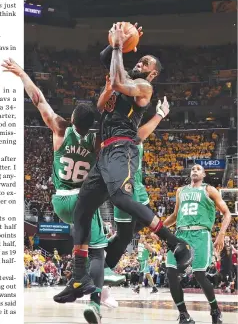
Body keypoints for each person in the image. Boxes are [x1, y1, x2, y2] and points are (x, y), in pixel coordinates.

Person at [53, 22, 193, 304]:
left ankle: (175, 242)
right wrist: (117, 43)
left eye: (145, 62)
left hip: (122, 147)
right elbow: (106, 60)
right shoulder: (123, 73)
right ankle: (80, 277)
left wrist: (119, 44)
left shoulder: (143, 87)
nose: (140, 62)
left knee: (119, 197)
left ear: (152, 73)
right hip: (104, 152)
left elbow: (118, 81)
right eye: (139, 58)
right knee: (82, 208)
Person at [1, 58, 107, 324]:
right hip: (83, 202)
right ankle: (94, 303)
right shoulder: (96, 142)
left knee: (84, 247)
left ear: (72, 119)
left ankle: (78, 281)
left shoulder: (60, 128)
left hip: (60, 203)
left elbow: (38, 100)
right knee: (97, 253)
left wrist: (22, 74)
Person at [98, 75, 170, 283]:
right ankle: (101, 262)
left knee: (132, 230)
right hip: (126, 182)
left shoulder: (133, 111)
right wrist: (159, 115)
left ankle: (103, 260)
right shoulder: (123, 125)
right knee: (126, 234)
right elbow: (138, 136)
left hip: (137, 182)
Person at [162, 164, 231, 324]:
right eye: (192, 168)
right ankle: (184, 314)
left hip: (200, 234)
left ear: (204, 174)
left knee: (199, 275)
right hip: (181, 234)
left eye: (198, 169)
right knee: (171, 272)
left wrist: (221, 234)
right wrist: (160, 227)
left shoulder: (209, 190)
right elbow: (174, 215)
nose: (195, 170)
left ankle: (215, 310)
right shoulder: (181, 191)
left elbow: (227, 213)